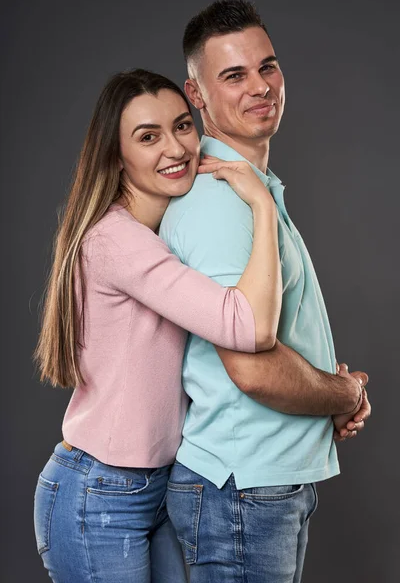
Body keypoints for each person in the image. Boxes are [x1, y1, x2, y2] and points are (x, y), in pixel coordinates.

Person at [33, 68, 284, 583]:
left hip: (153, 487)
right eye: (148, 137)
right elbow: (250, 328)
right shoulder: (118, 241)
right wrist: (262, 205)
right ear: (116, 155)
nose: (175, 148)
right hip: (99, 495)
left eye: (182, 127)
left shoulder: (167, 231)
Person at [160, 0, 372, 582]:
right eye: (234, 75)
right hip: (242, 494)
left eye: (268, 66)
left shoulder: (251, 189)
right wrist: (342, 394)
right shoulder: (217, 202)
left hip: (261, 488)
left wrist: (334, 392)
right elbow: (251, 368)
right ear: (196, 95)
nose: (260, 87)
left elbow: (277, 336)